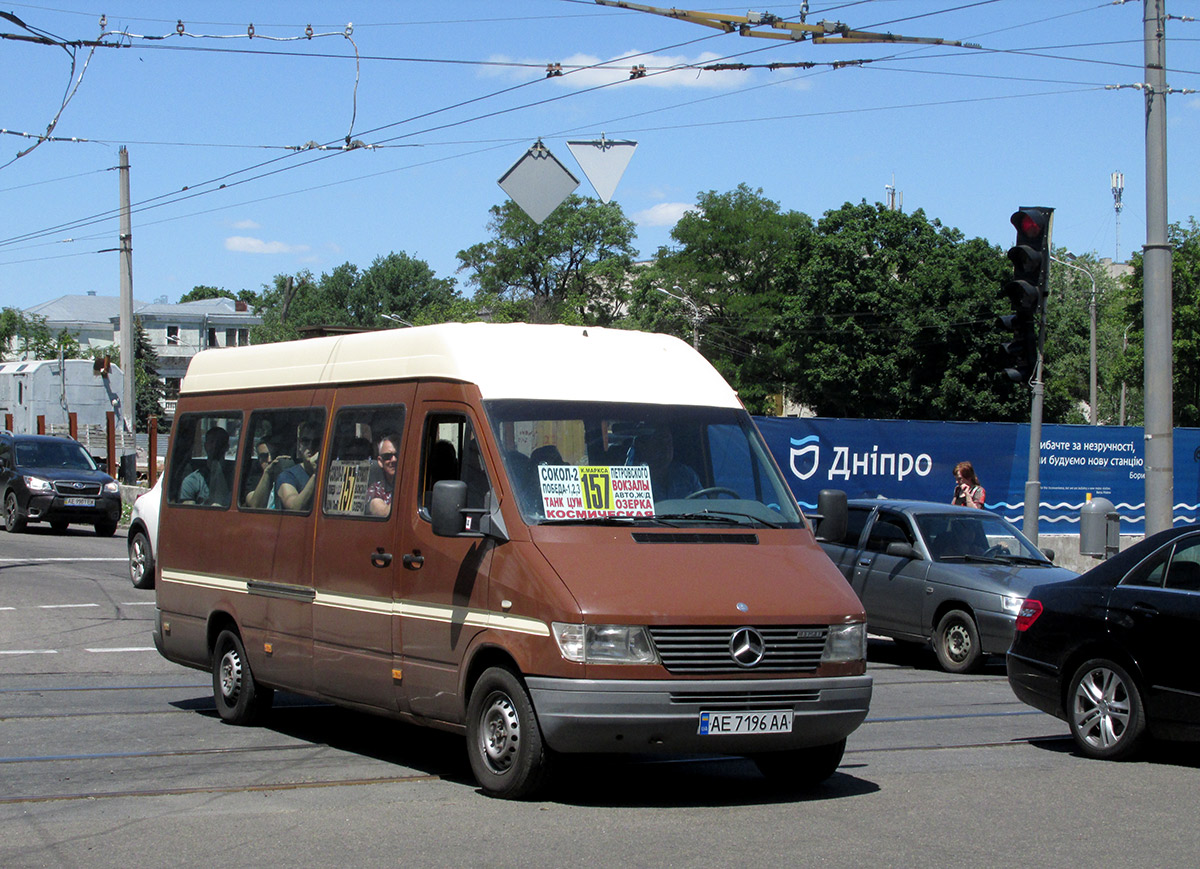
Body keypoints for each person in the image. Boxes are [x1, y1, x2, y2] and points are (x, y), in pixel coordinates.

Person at [629, 426, 700, 500]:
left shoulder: (686, 474)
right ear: (643, 447)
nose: (666, 448)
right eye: (659, 442)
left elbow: (703, 505)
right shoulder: (631, 478)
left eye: (669, 442)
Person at [179, 426, 231, 506]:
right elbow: (188, 514)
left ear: (227, 447)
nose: (215, 446)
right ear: (205, 445)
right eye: (211, 442)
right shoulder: (192, 481)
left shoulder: (236, 478)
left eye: (220, 442)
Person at [276, 421, 321, 511]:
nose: (311, 446)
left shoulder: (329, 473)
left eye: (316, 442)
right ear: (299, 445)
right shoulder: (287, 476)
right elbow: (294, 507)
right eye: (306, 441)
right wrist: (316, 474)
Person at [244, 439, 289, 509]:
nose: (269, 460)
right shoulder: (254, 479)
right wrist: (267, 473)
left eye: (274, 454)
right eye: (264, 456)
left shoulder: (289, 477)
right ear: (259, 459)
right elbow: (255, 505)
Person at [366, 431, 400, 517]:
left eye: (397, 455)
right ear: (380, 461)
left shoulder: (412, 485)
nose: (393, 460)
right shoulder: (376, 490)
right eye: (387, 456)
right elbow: (384, 512)